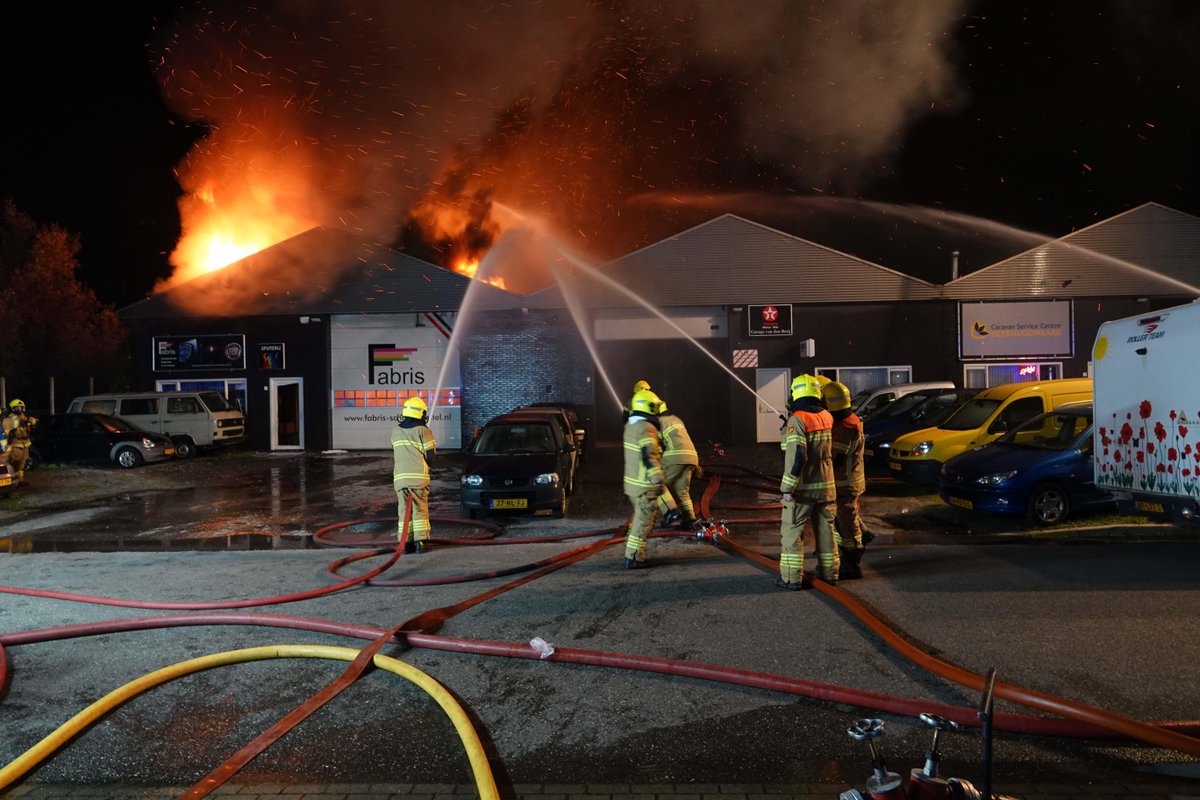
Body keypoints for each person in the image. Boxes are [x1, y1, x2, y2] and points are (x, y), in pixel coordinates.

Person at [777, 374, 837, 590]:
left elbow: (797, 456)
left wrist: (787, 487)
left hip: (803, 489)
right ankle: (830, 573)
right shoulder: (826, 416)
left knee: (792, 532)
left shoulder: (798, 419)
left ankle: (791, 578)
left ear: (795, 393)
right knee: (825, 531)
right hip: (826, 487)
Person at [823, 381, 867, 579]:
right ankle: (864, 535)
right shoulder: (848, 420)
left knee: (847, 521)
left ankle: (852, 560)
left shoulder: (845, 427)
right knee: (847, 516)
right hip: (848, 481)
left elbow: (832, 456)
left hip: (845, 483)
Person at [622, 388, 665, 569]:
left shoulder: (630, 427)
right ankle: (634, 557)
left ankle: (633, 553)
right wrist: (658, 479)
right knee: (644, 521)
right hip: (644, 485)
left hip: (632, 484)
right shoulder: (646, 428)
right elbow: (649, 456)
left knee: (639, 519)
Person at [391, 396, 437, 554]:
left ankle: (406, 543)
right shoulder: (424, 431)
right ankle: (421, 542)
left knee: (404, 511)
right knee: (419, 510)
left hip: (400, 480)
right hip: (418, 479)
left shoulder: (396, 431)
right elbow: (430, 455)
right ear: (420, 413)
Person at [653, 395, 701, 530]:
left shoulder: (658, 422)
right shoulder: (676, 419)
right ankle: (690, 520)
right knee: (682, 491)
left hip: (675, 456)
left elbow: (657, 446)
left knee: (655, 484)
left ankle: (670, 513)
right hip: (692, 458)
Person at [3, 399, 37, 485]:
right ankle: (14, 482)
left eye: (21, 408)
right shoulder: (10, 419)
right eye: (17, 408)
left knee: (23, 464)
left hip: (25, 443)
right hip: (16, 444)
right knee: (16, 463)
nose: (19, 410)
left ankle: (20, 481)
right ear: (12, 408)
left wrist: (32, 421)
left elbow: (33, 423)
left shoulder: (25, 417)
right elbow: (8, 428)